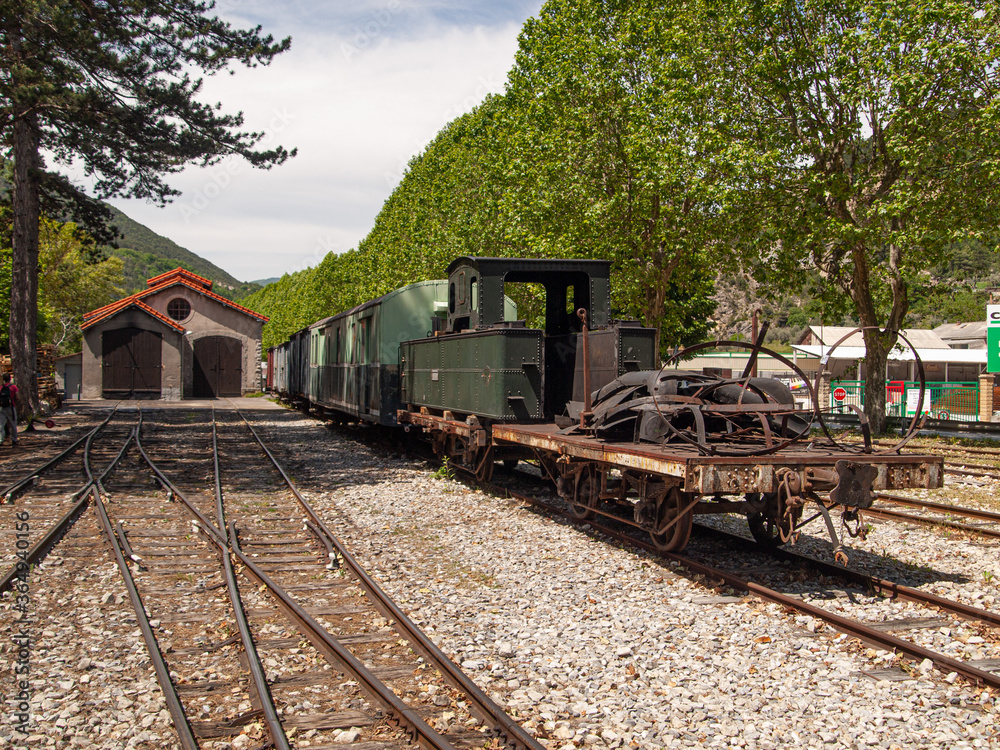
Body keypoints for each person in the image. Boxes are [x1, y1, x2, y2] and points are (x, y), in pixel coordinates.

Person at [0, 373, 19, 447]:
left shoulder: (1, 387)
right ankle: (14, 439)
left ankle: (1, 439)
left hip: (2, 408)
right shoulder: (13, 387)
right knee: (13, 424)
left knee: (1, 424)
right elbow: (17, 397)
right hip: (11, 407)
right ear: (10, 379)